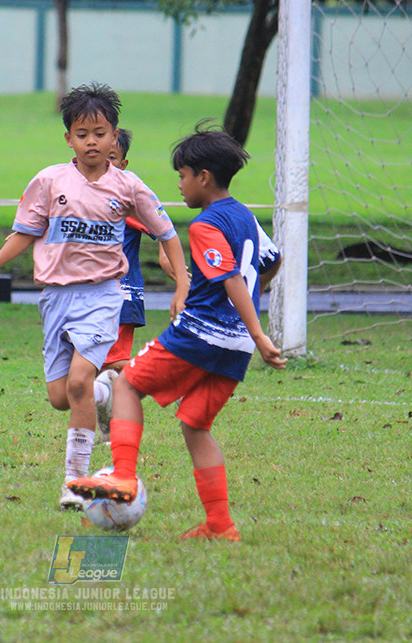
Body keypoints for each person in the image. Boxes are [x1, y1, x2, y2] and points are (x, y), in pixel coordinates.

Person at [0, 83, 191, 511]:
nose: (92, 142)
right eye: (83, 134)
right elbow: (25, 233)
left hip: (103, 296)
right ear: (68, 137)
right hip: (56, 298)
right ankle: (107, 392)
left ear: (114, 137)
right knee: (61, 397)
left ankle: (74, 482)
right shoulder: (49, 181)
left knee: (76, 382)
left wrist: (182, 284)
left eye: (100, 133)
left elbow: (167, 234)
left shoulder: (128, 187)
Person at [67, 123, 288, 541]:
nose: (180, 184)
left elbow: (231, 280)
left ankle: (124, 477)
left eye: (183, 176)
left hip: (200, 334)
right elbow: (272, 260)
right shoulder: (245, 216)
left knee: (127, 385)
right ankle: (220, 525)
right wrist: (250, 322)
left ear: (203, 177)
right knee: (195, 426)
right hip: (236, 346)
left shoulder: (205, 226)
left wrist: (261, 334)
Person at [93, 128, 179, 441]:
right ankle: (108, 424)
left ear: (123, 163)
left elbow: (163, 229)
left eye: (112, 158)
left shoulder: (124, 195)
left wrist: (172, 265)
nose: (105, 164)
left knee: (111, 362)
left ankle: (174, 378)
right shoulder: (82, 191)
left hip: (121, 293)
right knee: (99, 368)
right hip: (90, 293)